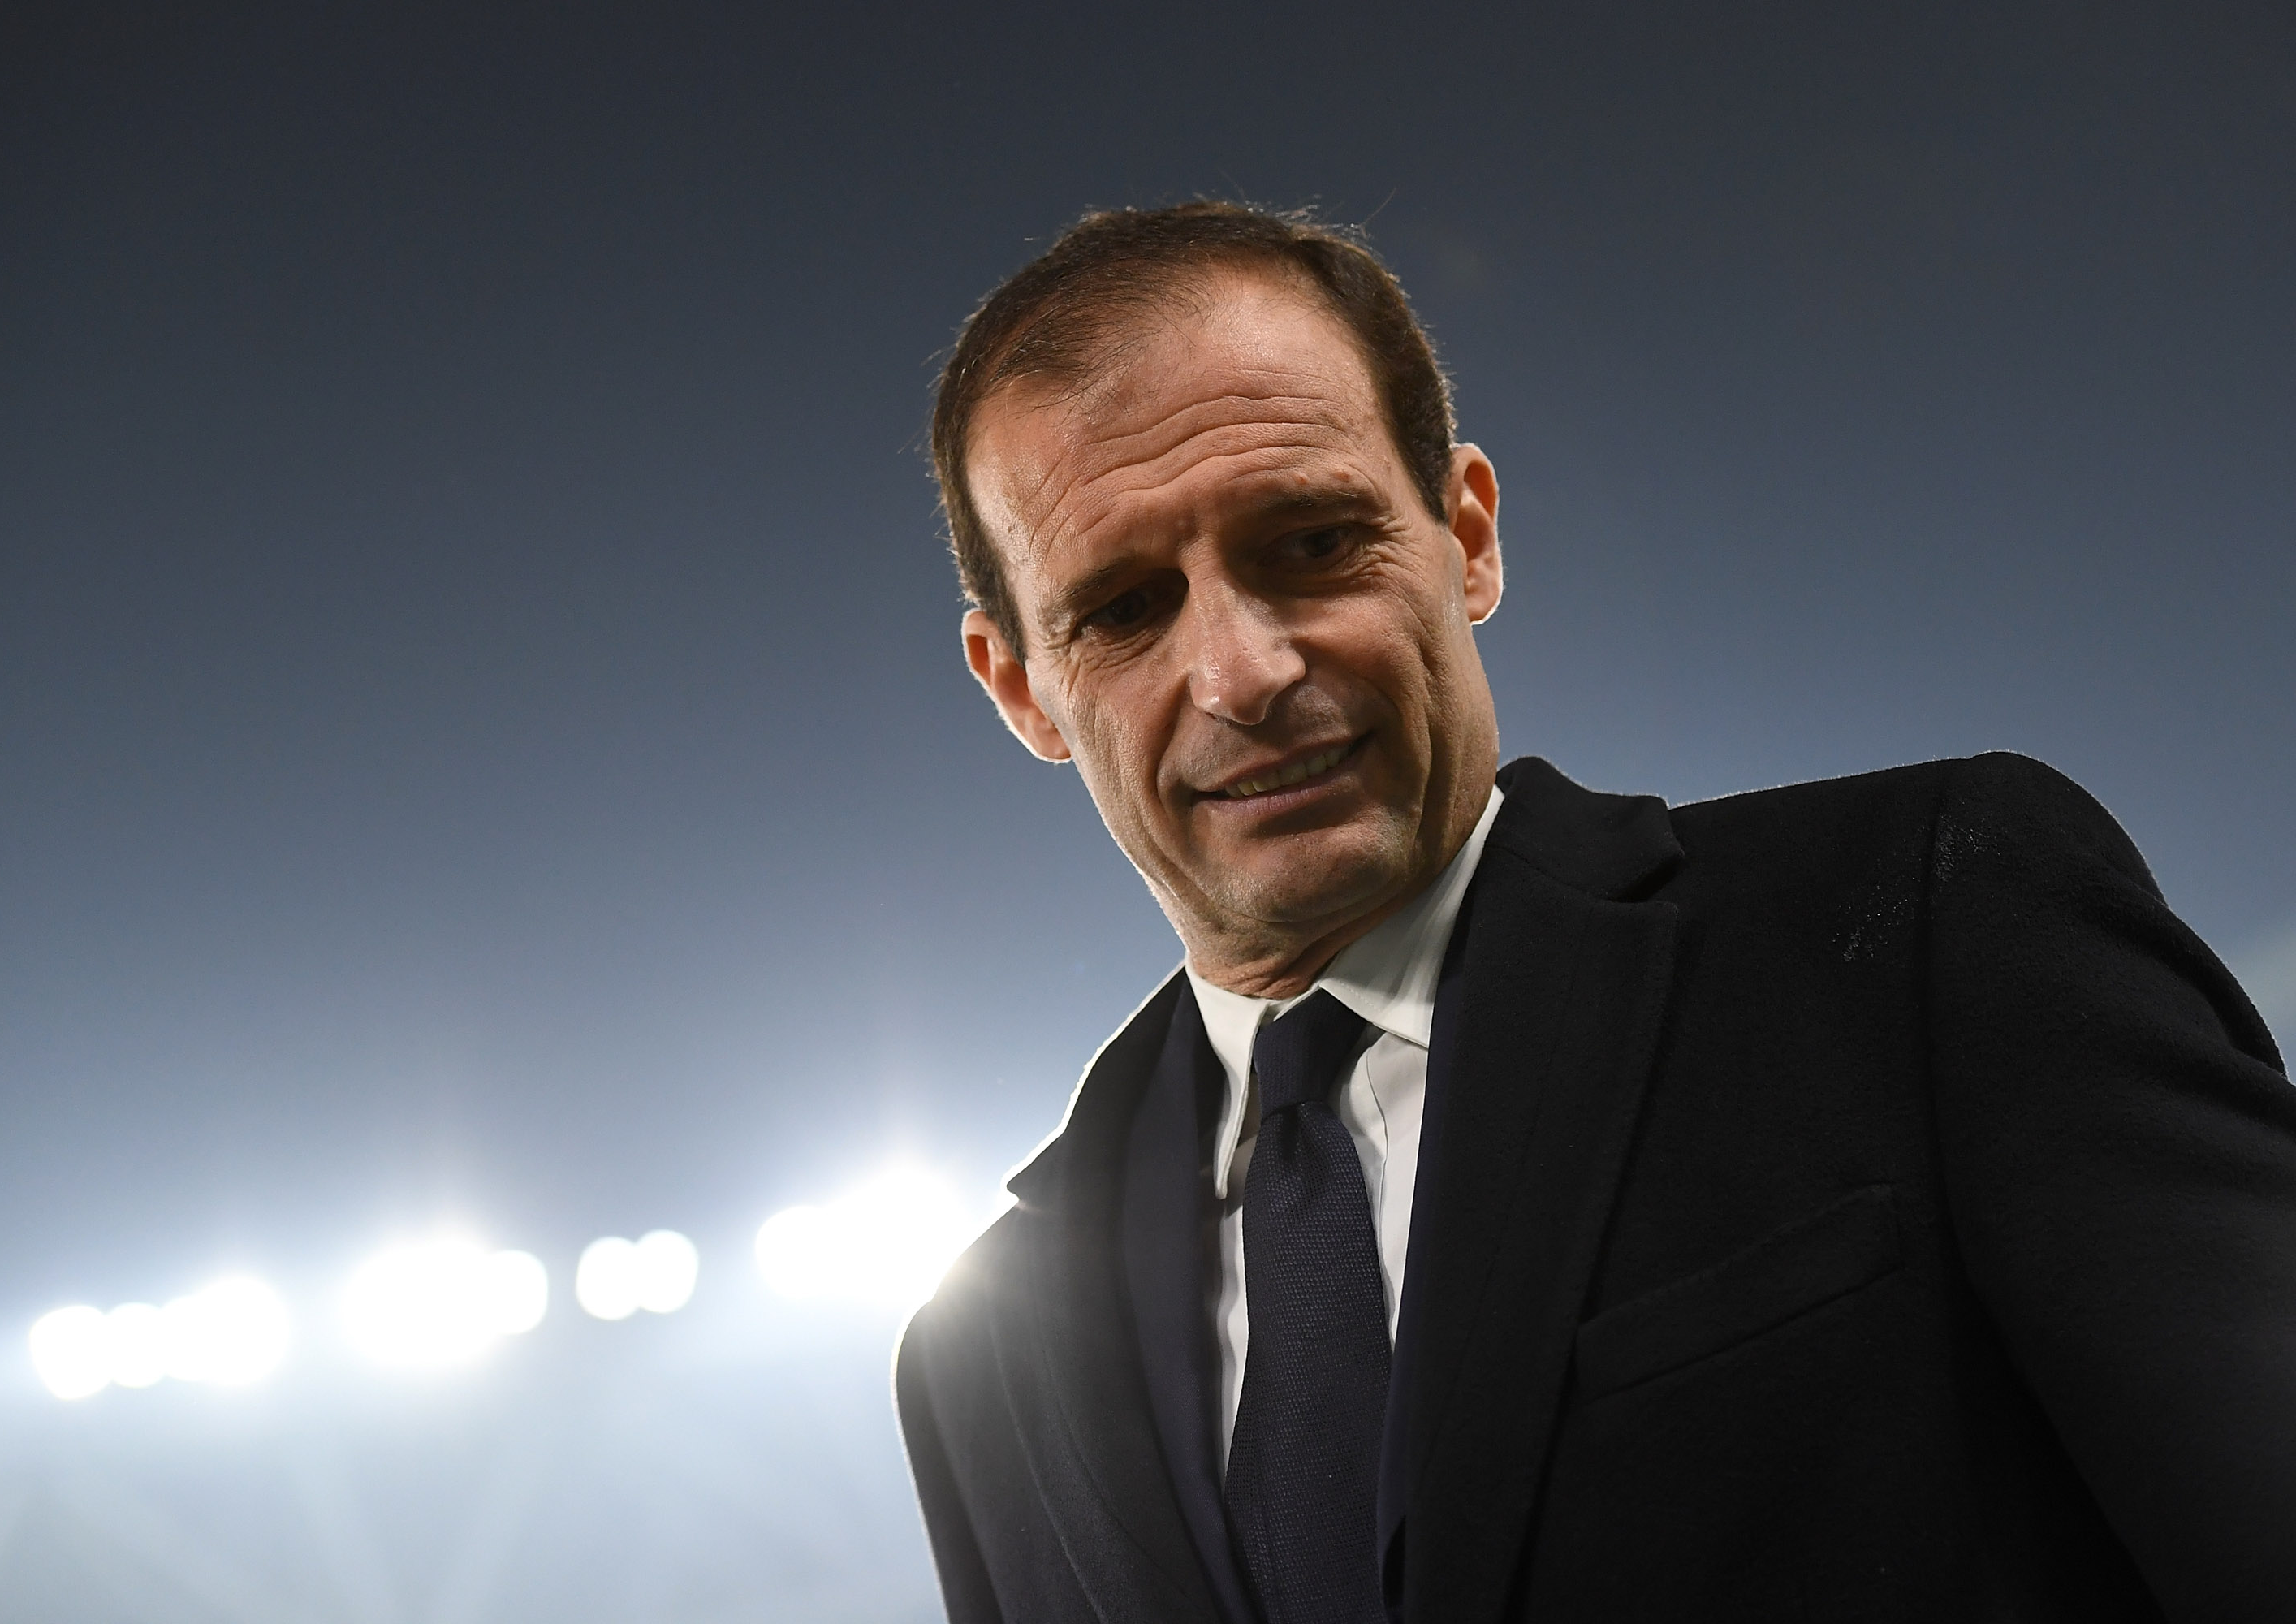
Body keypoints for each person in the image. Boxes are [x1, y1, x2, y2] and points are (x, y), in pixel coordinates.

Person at [891, 201, 2296, 1624]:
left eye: (1312, 542)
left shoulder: (1929, 922)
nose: (1242, 672)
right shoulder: (972, 1360)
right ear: (1020, 689)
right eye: (1127, 607)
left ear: (1467, 535)